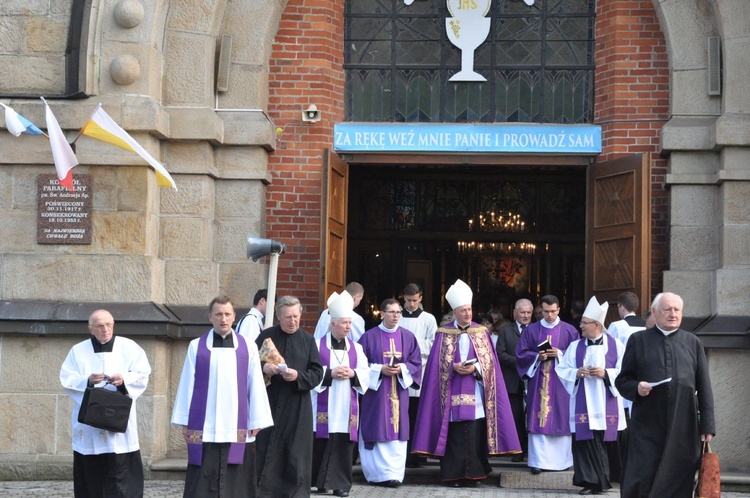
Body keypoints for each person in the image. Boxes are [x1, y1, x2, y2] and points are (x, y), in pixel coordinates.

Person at [413, 279, 520, 487]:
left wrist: (475, 368)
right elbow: (435, 366)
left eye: (470, 310)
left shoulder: (481, 332)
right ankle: (453, 475)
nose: (468, 314)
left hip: (476, 393)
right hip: (451, 393)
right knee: (453, 435)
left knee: (473, 433)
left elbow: (491, 365)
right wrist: (451, 367)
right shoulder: (443, 333)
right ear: (455, 313)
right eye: (463, 311)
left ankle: (474, 475)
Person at [615, 292, 715, 498]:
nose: (673, 314)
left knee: (680, 478)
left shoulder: (693, 342)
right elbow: (622, 381)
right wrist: (637, 387)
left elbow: (704, 386)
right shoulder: (638, 340)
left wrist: (708, 426)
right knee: (643, 477)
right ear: (654, 312)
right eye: (667, 309)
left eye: (677, 310)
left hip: (683, 426)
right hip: (647, 427)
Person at [172, 296, 273, 498]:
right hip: (205, 424)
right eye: (218, 314)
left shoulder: (248, 346)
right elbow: (186, 385)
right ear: (210, 316)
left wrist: (257, 419)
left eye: (227, 314)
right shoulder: (196, 346)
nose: (223, 319)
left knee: (238, 476)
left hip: (238, 423)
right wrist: (185, 422)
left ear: (234, 317)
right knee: (202, 475)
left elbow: (256, 384)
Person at [60, 309, 151, 498]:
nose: (105, 329)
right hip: (90, 424)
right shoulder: (78, 350)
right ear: (90, 329)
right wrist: (87, 380)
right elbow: (67, 379)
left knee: (120, 473)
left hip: (118, 421)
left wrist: (124, 379)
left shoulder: (129, 347)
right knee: (92, 478)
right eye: (100, 326)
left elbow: (143, 374)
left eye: (108, 324)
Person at [254, 296, 323, 497]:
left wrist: (298, 376)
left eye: (295, 316)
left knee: (296, 454)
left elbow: (317, 373)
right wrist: (264, 367)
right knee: (267, 449)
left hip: (298, 406)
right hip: (270, 403)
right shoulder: (265, 337)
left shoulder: (308, 340)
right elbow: (248, 368)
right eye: (287, 317)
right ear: (278, 316)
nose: (292, 321)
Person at [556, 296, 626, 496]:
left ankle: (604, 480)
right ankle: (590, 481)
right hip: (583, 402)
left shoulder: (617, 346)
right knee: (585, 442)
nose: (581, 326)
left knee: (603, 441)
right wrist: (576, 373)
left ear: (597, 324)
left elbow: (626, 371)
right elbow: (562, 370)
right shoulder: (575, 346)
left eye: (584, 323)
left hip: (606, 402)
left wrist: (606, 374)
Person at [357, 298, 422, 487]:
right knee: (377, 426)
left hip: (398, 394)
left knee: (398, 430)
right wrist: (379, 370)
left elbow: (416, 363)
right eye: (392, 312)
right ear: (382, 313)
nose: (396, 316)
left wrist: (401, 368)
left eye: (398, 312)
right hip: (375, 396)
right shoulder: (368, 337)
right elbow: (359, 365)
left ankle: (394, 474)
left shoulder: (408, 337)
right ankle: (376, 475)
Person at [311, 291, 370, 497]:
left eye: (349, 323)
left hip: (346, 405)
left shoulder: (357, 348)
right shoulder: (316, 346)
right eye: (344, 323)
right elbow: (311, 374)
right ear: (333, 323)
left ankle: (341, 485)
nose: (348, 327)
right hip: (323, 404)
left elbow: (366, 373)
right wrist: (330, 373)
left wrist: (353, 373)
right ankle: (319, 482)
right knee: (321, 441)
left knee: (343, 446)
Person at [516, 294, 579, 474]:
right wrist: (538, 356)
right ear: (541, 311)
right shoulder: (531, 330)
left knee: (561, 417)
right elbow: (521, 354)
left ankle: (562, 462)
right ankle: (538, 461)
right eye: (545, 311)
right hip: (539, 382)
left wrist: (559, 353)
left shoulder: (569, 330)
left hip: (560, 384)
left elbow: (577, 355)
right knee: (539, 417)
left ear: (558, 309)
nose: (549, 315)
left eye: (553, 311)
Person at [604, 291, 646, 480]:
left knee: (621, 425)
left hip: (624, 377)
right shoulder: (647, 326)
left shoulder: (617, 326)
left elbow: (609, 349)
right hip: (642, 380)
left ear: (621, 306)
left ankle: (618, 468)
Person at [398, 283, 438, 468]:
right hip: (400, 372)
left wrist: (412, 346)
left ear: (421, 298)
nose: (411, 304)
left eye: (414, 300)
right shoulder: (396, 316)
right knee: (401, 413)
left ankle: (418, 454)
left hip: (420, 372)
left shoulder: (428, 319)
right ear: (403, 298)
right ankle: (402, 454)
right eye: (408, 300)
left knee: (417, 413)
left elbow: (434, 344)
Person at [496, 298, 533, 462]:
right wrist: (519, 362)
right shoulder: (505, 331)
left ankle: (532, 451)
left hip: (534, 381)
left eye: (529, 313)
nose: (526, 316)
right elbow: (500, 354)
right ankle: (517, 451)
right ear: (515, 313)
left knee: (533, 416)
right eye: (523, 312)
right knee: (515, 417)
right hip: (512, 381)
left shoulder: (536, 329)